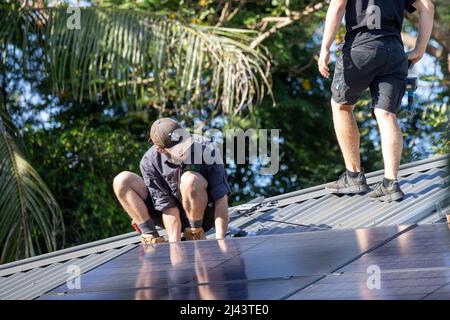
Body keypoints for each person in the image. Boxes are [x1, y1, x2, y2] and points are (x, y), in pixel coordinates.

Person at [318, 0, 434, 201]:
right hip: (394, 52)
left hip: (360, 47)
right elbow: (428, 7)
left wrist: (325, 49)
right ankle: (391, 183)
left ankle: (353, 176)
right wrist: (419, 49)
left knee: (342, 106)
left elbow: (337, 6)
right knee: (386, 113)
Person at [113, 118, 231, 244]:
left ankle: (195, 233)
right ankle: (152, 238)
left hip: (204, 215)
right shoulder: (149, 162)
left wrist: (221, 240)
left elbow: (221, 198)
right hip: (170, 214)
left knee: (189, 179)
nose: (184, 148)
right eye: (178, 149)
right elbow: (168, 207)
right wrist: (174, 247)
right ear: (161, 149)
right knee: (122, 180)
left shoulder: (206, 148)